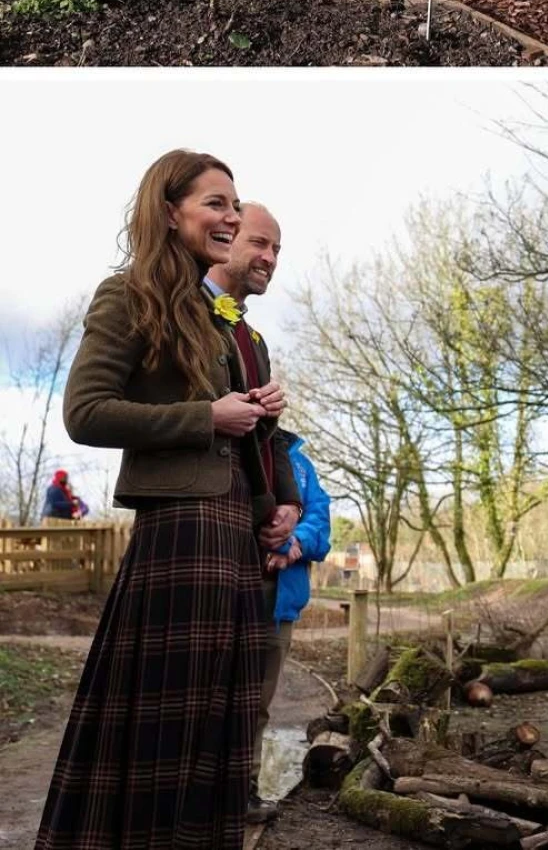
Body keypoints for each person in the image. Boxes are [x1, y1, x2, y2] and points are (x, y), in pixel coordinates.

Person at [36, 151, 299, 850]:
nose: (233, 218)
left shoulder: (220, 316)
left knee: (219, 732)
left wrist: (278, 498)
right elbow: (86, 412)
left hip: (235, 540)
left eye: (235, 207)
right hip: (181, 537)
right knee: (164, 731)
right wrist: (205, 418)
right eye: (217, 204)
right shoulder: (127, 295)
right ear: (169, 211)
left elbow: (248, 433)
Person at [205, 200, 304, 824]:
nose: (269, 259)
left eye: (277, 251)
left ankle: (232, 796)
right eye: (260, 244)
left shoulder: (253, 337)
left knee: (247, 689)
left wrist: (289, 504)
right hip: (205, 524)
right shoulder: (189, 315)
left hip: (256, 533)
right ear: (226, 237)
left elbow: (270, 437)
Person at [252, 431, 331, 824]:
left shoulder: (298, 462)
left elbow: (320, 518)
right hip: (229, 587)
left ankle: (244, 790)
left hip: (278, 598)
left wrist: (296, 540)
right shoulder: (227, 443)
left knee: (257, 702)